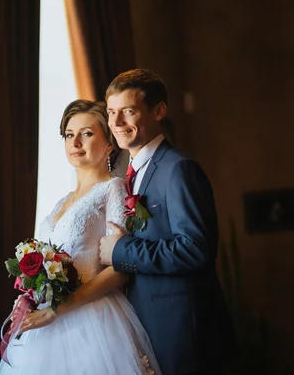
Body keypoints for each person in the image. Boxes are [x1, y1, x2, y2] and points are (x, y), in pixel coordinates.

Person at [0, 100, 161, 375]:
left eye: (86, 133)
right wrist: (31, 296)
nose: (76, 142)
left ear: (109, 143)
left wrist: (57, 310)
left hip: (93, 320)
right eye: (69, 134)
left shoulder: (113, 189)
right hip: (44, 326)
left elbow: (120, 270)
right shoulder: (60, 202)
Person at [99, 69, 236, 375]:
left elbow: (195, 249)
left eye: (128, 112)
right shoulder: (122, 174)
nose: (117, 123)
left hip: (180, 329)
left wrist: (121, 252)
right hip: (139, 322)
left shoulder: (179, 169)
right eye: (111, 112)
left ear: (159, 111)